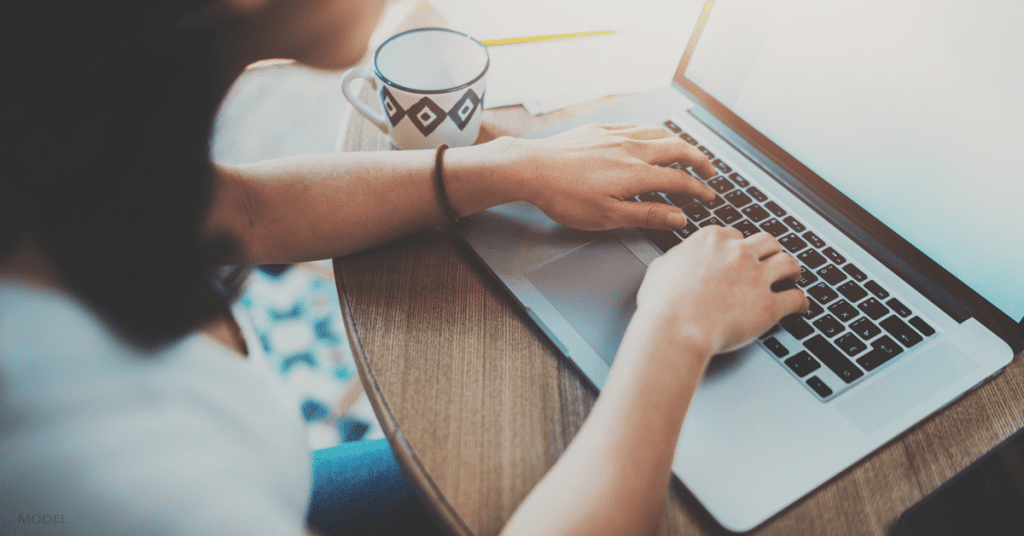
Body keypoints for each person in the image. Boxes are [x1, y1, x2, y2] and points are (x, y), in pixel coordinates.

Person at [0, 0, 809, 535]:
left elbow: (241, 210)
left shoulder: (54, 148)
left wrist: (511, 170)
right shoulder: (114, 478)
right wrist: (676, 329)